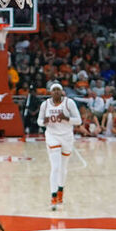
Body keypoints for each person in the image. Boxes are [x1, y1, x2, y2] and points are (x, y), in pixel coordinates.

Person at [37, 82, 82, 210]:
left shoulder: (69, 103)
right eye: (54, 90)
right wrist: (44, 122)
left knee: (63, 168)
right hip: (52, 136)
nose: (56, 92)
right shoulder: (45, 104)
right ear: (50, 92)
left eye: (58, 89)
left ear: (62, 91)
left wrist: (66, 118)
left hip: (67, 137)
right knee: (55, 167)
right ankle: (53, 196)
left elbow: (78, 120)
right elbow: (39, 121)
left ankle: (60, 192)